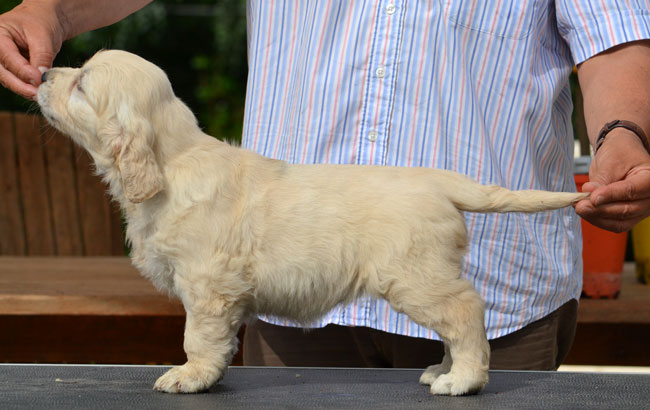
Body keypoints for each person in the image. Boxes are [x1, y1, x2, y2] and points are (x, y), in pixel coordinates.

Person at [2, 1, 649, 370]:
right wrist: (50, 11)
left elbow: (615, 32)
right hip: (289, 281)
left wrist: (624, 132)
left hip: (498, 282)